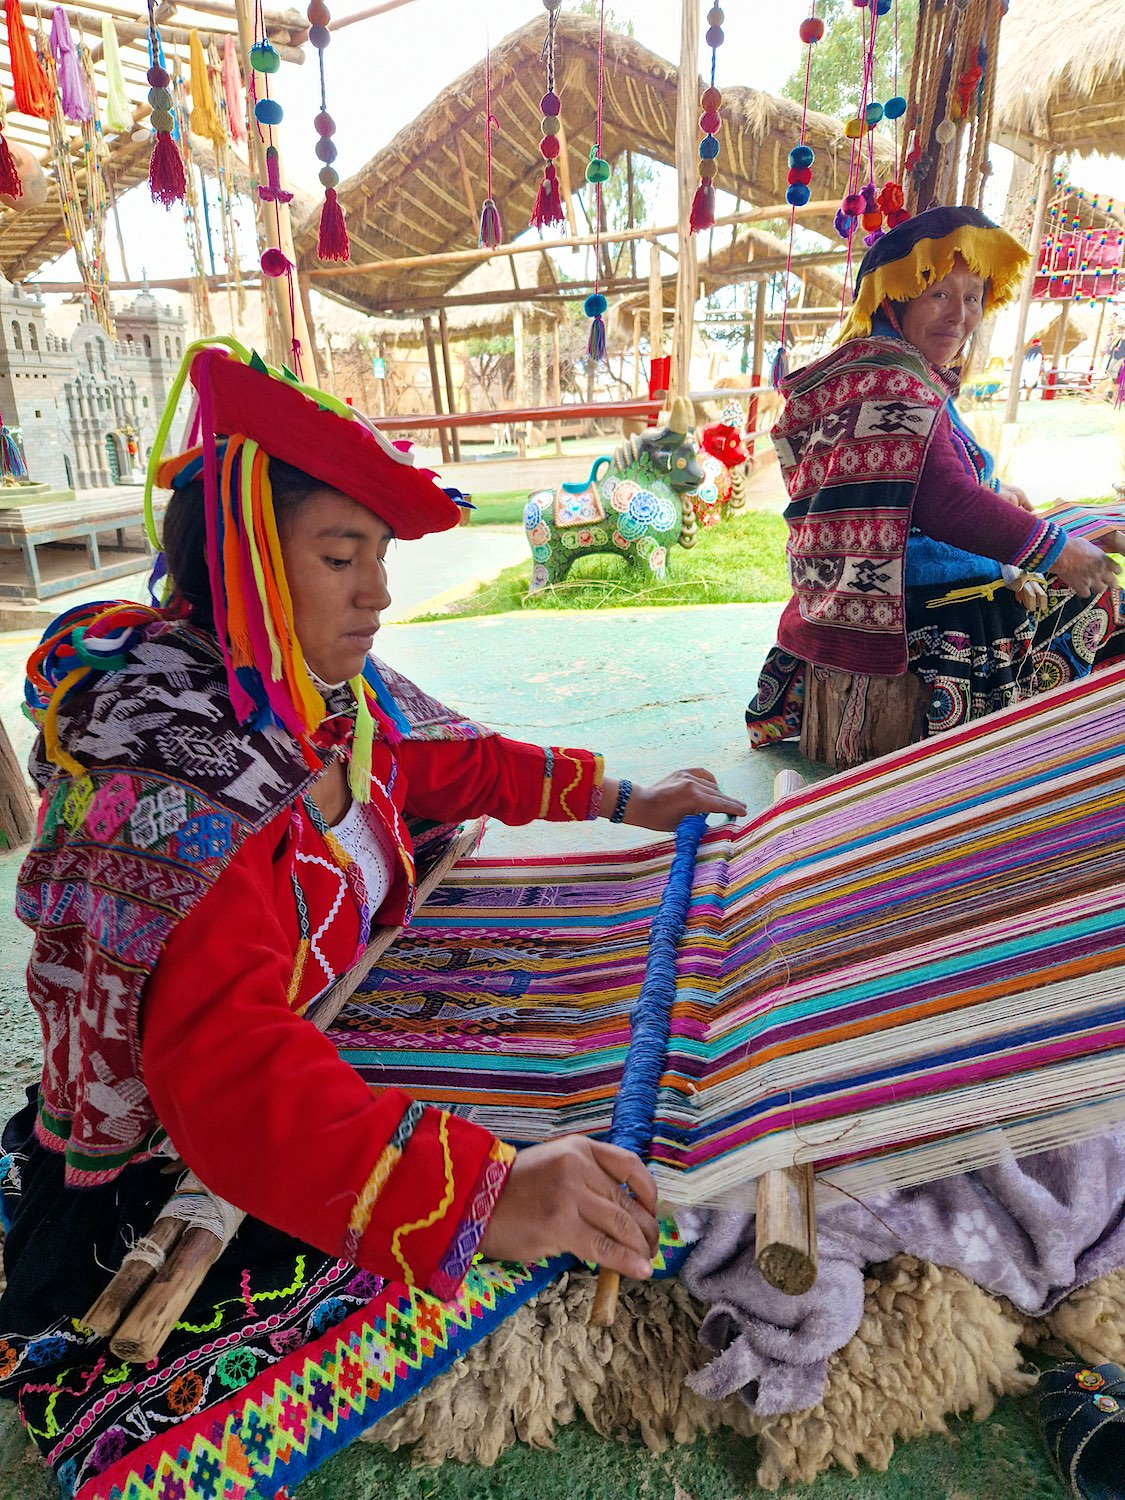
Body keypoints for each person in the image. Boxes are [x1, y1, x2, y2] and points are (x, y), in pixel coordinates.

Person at [0, 339, 746, 1494]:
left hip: (317, 992)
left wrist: (616, 795)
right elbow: (228, 1072)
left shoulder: (307, 687)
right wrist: (490, 1193)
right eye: (341, 555)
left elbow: (445, 759)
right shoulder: (180, 791)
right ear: (247, 562)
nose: (378, 594)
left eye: (380, 558)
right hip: (178, 1125)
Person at [745, 205, 1124, 760]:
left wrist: (994, 490)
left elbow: (913, 478)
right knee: (1108, 605)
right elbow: (944, 503)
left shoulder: (876, 368)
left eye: (972, 297)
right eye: (939, 294)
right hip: (921, 615)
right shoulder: (897, 382)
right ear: (895, 300)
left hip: (849, 597)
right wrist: (1060, 551)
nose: (959, 316)